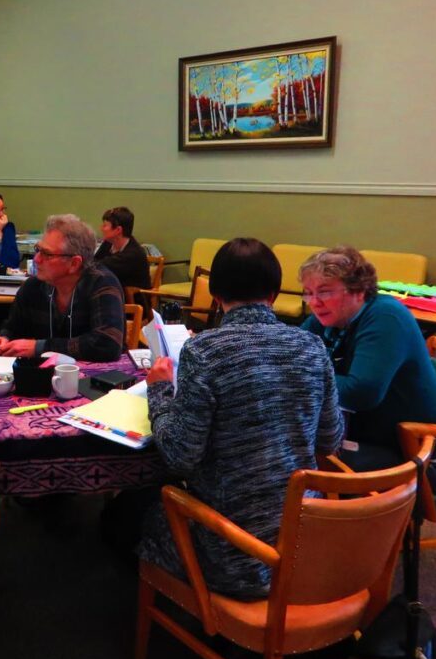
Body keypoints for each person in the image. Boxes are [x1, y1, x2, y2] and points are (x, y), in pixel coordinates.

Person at [138, 238, 343, 599]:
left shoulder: (205, 351)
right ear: (276, 293)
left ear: (214, 294)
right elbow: (330, 439)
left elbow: (179, 456)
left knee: (128, 516)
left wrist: (158, 391)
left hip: (236, 555)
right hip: (304, 542)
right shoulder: (312, 347)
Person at [299, 246, 436, 491]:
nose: (315, 303)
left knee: (303, 466)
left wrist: (303, 377)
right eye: (308, 293)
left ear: (358, 291)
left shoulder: (386, 316)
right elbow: (289, 357)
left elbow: (361, 393)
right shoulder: (328, 318)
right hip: (370, 435)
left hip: (420, 454)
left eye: (325, 292)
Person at [0, 214, 124, 361]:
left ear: (74, 263)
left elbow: (107, 344)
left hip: (92, 380)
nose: (36, 259)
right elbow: (13, 328)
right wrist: (4, 339)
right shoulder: (32, 287)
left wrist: (38, 348)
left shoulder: (102, 284)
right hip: (40, 378)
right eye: (38, 250)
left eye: (47, 254)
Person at [94, 206, 151, 294]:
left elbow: (97, 268)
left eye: (105, 225)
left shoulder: (133, 254)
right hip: (112, 295)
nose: (101, 228)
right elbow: (95, 261)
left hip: (131, 303)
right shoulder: (109, 243)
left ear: (118, 230)